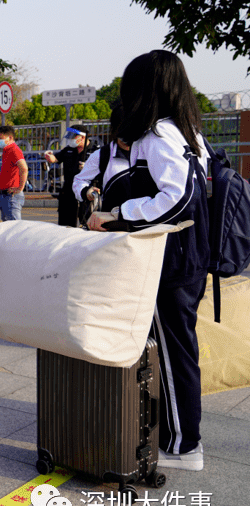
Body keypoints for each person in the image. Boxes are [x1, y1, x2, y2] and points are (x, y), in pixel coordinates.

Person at [87, 50, 210, 471]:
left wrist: (119, 215)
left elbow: (175, 197)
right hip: (192, 255)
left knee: (173, 355)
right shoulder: (188, 131)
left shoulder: (158, 134)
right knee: (181, 349)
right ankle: (180, 435)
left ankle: (183, 445)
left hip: (171, 259)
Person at [46, 125, 94, 226]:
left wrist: (89, 167)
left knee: (86, 224)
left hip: (86, 191)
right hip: (68, 189)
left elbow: (102, 169)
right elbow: (56, 158)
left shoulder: (94, 151)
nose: (71, 139)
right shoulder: (69, 150)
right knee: (65, 224)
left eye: (74, 136)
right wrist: (50, 157)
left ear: (83, 138)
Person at [0, 126, 27, 221]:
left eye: (0, 139)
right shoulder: (6, 151)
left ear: (10, 138)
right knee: (8, 228)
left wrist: (20, 188)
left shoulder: (14, 150)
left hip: (12, 196)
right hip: (5, 195)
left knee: (14, 228)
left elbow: (24, 168)